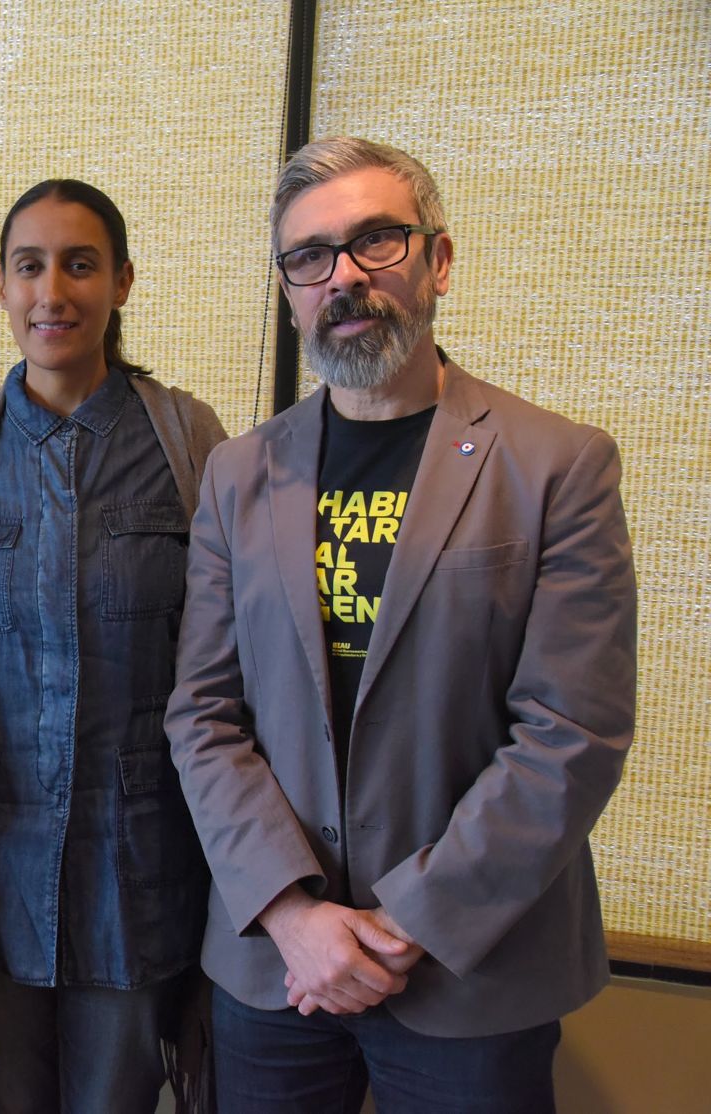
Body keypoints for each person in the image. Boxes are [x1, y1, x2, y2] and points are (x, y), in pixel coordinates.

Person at [166, 136, 636, 1113]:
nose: (343, 276)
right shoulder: (239, 474)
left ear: (438, 261)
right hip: (277, 966)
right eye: (310, 256)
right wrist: (293, 914)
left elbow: (570, 731)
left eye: (375, 240)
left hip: (472, 971)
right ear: (290, 290)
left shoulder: (556, 465)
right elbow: (202, 715)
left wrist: (406, 923)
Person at [0, 179, 227, 1113]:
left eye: (80, 265)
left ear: (122, 282)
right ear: (1, 284)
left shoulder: (189, 441)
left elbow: (231, 668)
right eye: (30, 267)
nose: (52, 292)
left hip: (142, 869)